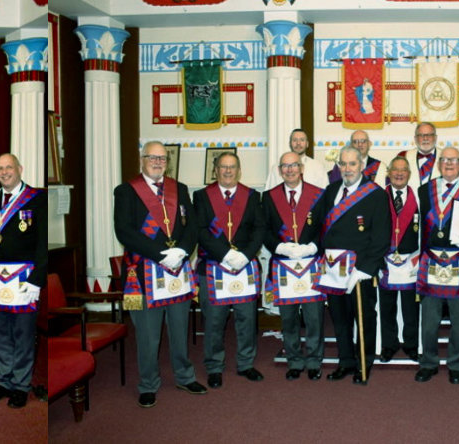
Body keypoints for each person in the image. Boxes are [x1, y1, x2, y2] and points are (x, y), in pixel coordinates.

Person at [115, 141, 204, 408]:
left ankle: (185, 376)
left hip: (178, 270)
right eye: (152, 157)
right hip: (144, 272)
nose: (157, 162)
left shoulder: (180, 189)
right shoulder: (126, 191)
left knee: (179, 328)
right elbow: (124, 232)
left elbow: (192, 227)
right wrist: (161, 253)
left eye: (162, 158)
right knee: (148, 334)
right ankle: (148, 384)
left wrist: (184, 250)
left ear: (168, 162)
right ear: (142, 160)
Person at [313, 145, 390, 385]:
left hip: (360, 271)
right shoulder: (331, 190)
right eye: (343, 164)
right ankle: (345, 362)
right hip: (334, 270)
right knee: (340, 318)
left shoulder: (375, 194)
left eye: (352, 164)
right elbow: (320, 227)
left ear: (362, 166)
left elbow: (381, 237)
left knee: (364, 319)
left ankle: (363, 364)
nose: (347, 169)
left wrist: (365, 270)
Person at [413, 146, 459, 384]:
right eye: (444, 160)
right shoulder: (425, 190)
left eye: (453, 160)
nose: (448, 164)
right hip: (432, 261)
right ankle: (429, 362)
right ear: (438, 164)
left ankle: (456, 363)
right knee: (430, 319)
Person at [0, 153, 46, 409]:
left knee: (23, 333)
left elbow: (42, 244)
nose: (4, 172)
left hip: (24, 279)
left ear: (20, 168)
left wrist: (37, 280)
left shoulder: (37, 199)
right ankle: (3, 381)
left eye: (9, 167)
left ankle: (21, 384)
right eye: (0, 169)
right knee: (0, 331)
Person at [193, 152, 265, 388]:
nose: (227, 171)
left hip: (244, 266)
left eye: (232, 167)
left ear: (239, 170)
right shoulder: (202, 196)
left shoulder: (252, 196)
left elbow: (259, 229)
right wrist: (225, 254)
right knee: (214, 320)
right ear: (215, 170)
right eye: (223, 167)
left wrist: (244, 255)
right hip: (214, 266)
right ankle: (214, 366)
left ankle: (245, 363)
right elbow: (200, 230)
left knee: (247, 318)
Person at [263, 152, 326, 381]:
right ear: (280, 170)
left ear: (301, 168)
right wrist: (279, 247)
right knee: (288, 318)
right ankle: (294, 360)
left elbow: (325, 228)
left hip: (311, 263)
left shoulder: (318, 195)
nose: (289, 170)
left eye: (294, 166)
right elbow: (265, 230)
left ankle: (314, 361)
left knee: (313, 318)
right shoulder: (269, 197)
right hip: (283, 265)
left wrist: (313, 247)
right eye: (285, 166)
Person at [377, 155, 420, 364]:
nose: (399, 173)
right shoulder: (379, 197)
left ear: (409, 175)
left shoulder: (418, 198)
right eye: (395, 170)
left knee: (410, 308)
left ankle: (411, 345)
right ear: (389, 173)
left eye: (403, 170)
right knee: (387, 307)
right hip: (385, 262)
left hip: (411, 261)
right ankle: (389, 345)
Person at [396, 122, 440, 189]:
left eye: (429, 135)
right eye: (421, 135)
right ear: (415, 138)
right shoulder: (403, 156)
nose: (425, 138)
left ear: (435, 138)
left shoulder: (447, 157)